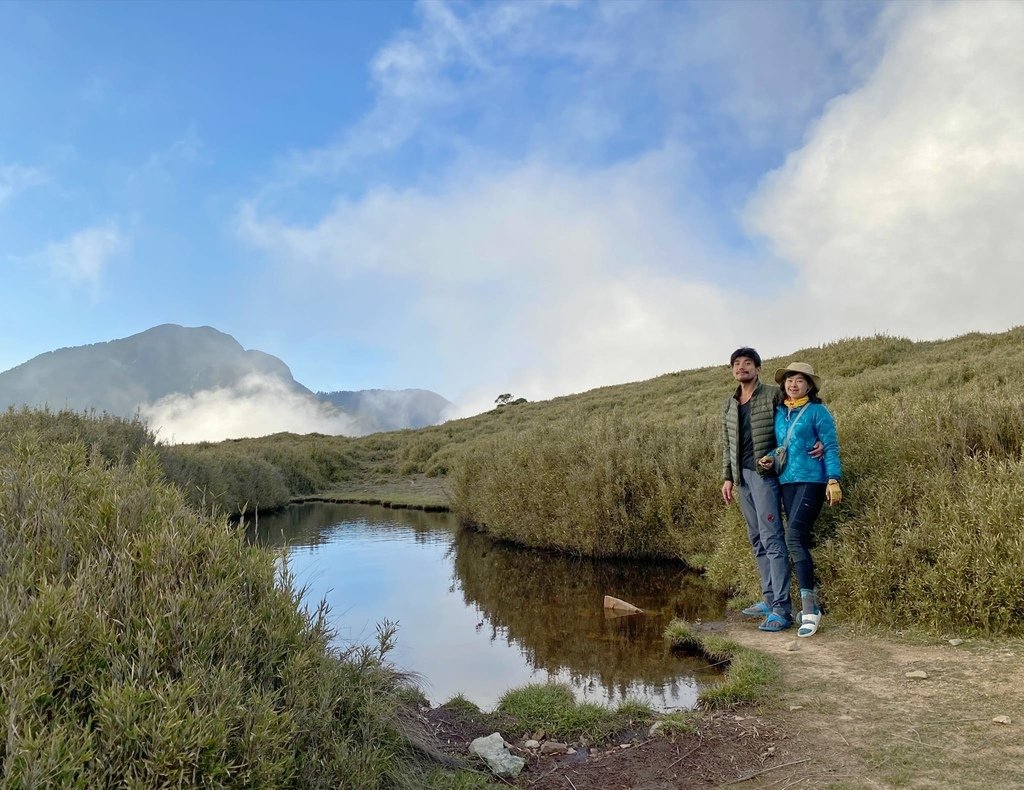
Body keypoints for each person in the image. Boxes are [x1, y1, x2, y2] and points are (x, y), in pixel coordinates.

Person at [758, 362, 842, 638]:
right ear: (784, 386)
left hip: (812, 481)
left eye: (800, 381)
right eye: (790, 381)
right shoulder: (781, 412)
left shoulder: (818, 411)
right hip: (786, 482)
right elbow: (782, 444)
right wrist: (769, 457)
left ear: (809, 386)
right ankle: (811, 603)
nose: (794, 385)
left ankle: (810, 610)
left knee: (794, 537)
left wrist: (833, 480)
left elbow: (830, 445)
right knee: (798, 540)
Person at [720, 347, 793, 632]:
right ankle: (769, 597)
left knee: (772, 538)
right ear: (732, 370)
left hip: (765, 476)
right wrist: (727, 477)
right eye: (736, 364)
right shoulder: (729, 404)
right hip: (742, 479)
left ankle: (781, 609)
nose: (742, 367)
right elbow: (727, 444)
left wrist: (817, 443)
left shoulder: (773, 394)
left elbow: (792, 426)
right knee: (757, 539)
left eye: (747, 363)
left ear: (758, 369)